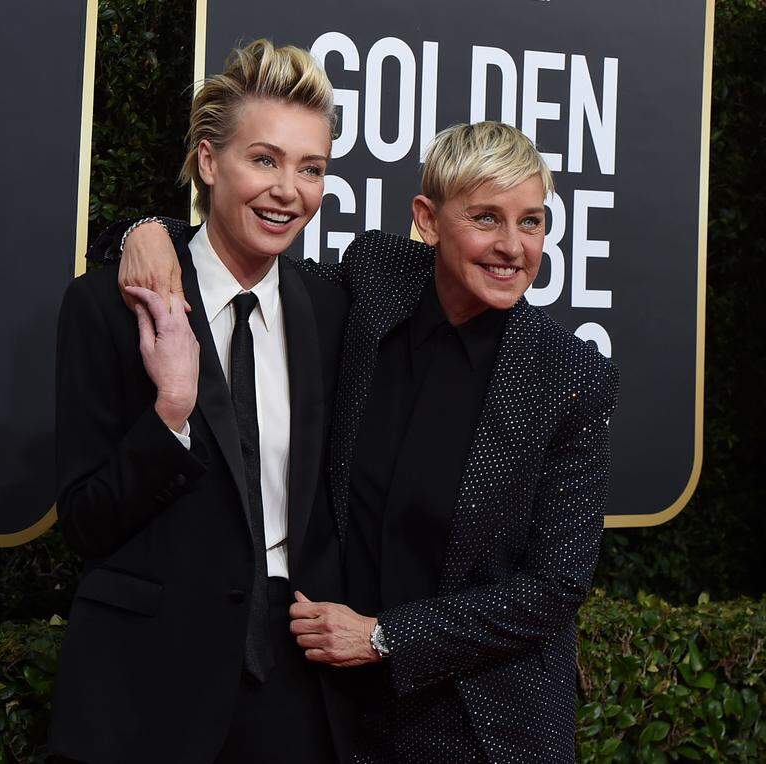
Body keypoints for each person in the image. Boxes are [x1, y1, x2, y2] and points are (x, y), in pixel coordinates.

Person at [103, 122, 618, 763]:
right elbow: (240, 262)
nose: (513, 246)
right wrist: (145, 233)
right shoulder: (377, 281)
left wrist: (384, 637)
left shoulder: (569, 377)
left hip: (487, 724)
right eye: (487, 218)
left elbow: (554, 588)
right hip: (345, 716)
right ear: (427, 221)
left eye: (532, 222)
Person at [48, 40, 352, 762]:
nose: (289, 190)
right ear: (210, 161)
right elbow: (87, 525)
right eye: (265, 159)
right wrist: (173, 408)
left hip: (294, 693)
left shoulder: (336, 311)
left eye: (311, 169)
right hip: (144, 688)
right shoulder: (111, 309)